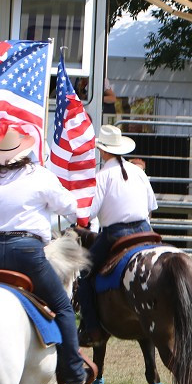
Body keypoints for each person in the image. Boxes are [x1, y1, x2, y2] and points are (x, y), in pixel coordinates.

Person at [0, 127, 94, 384]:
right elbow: (72, 208)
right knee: (63, 307)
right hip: (28, 254)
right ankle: (74, 372)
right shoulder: (39, 176)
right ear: (22, 151)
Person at [76, 124, 158, 346]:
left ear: (103, 151)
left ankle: (92, 330)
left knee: (84, 275)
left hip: (115, 234)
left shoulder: (102, 176)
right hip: (145, 231)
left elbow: (89, 214)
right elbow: (151, 206)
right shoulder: (138, 172)